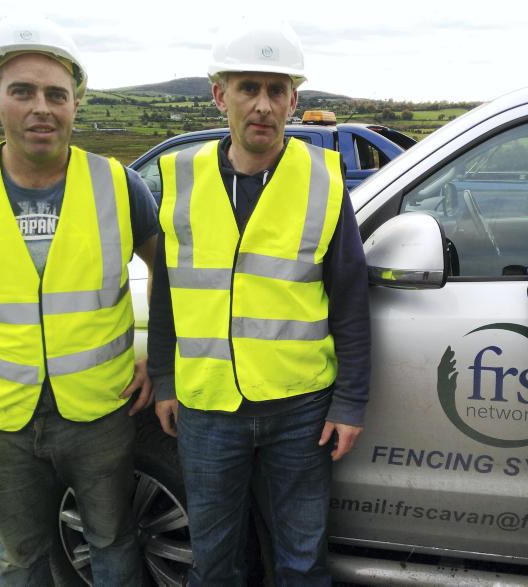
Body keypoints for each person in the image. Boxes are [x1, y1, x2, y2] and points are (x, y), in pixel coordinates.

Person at [147, 19, 371, 585]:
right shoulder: (182, 179)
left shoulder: (323, 182)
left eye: (277, 90)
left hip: (300, 410)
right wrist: (165, 378)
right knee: (215, 560)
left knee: (302, 560)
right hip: (207, 406)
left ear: (294, 101)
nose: (263, 105)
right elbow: (167, 292)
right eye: (248, 88)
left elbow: (349, 299)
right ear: (219, 95)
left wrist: (350, 402)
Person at [0, 15, 158, 585]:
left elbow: (165, 273)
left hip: (99, 412)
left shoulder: (118, 184)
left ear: (76, 103)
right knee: (21, 558)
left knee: (113, 543)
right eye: (22, 91)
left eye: (56, 94)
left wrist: (158, 360)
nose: (40, 108)